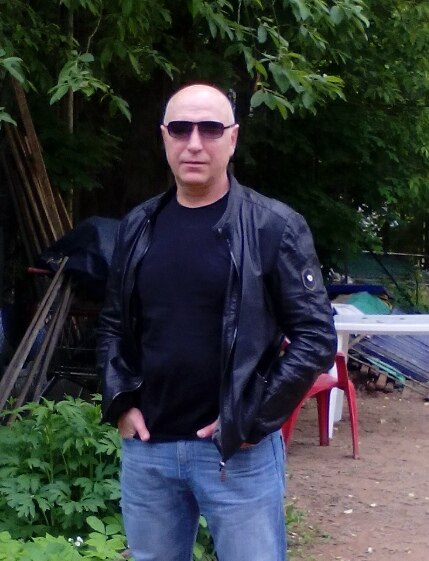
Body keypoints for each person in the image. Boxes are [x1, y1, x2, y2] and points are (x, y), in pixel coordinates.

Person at [97, 83, 337, 561]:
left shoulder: (274, 227)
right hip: (149, 451)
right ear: (164, 136)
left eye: (210, 129)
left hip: (238, 454)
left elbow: (316, 337)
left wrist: (252, 418)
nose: (194, 143)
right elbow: (112, 325)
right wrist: (120, 402)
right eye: (180, 129)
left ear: (233, 138)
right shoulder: (138, 225)